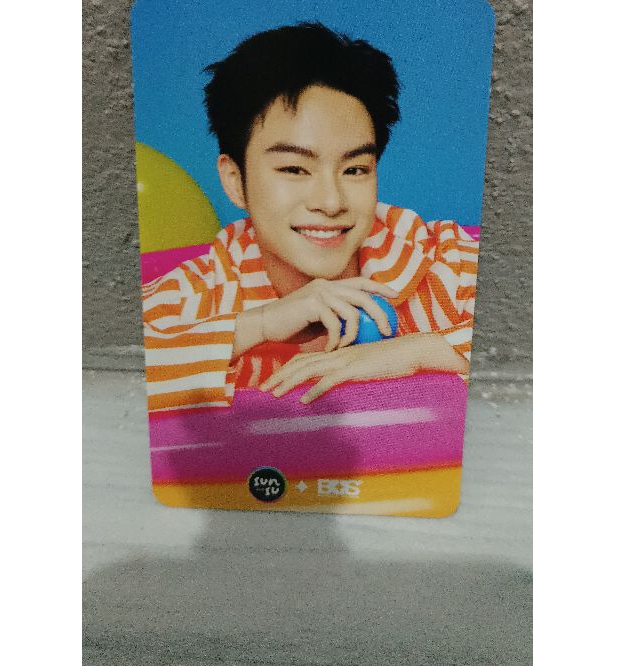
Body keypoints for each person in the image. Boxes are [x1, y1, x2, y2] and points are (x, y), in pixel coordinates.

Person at [142, 22, 478, 411]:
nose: (331, 202)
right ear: (235, 181)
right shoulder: (195, 295)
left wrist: (423, 352)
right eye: (294, 169)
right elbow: (112, 371)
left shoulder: (449, 263)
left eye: (355, 169)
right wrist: (263, 323)